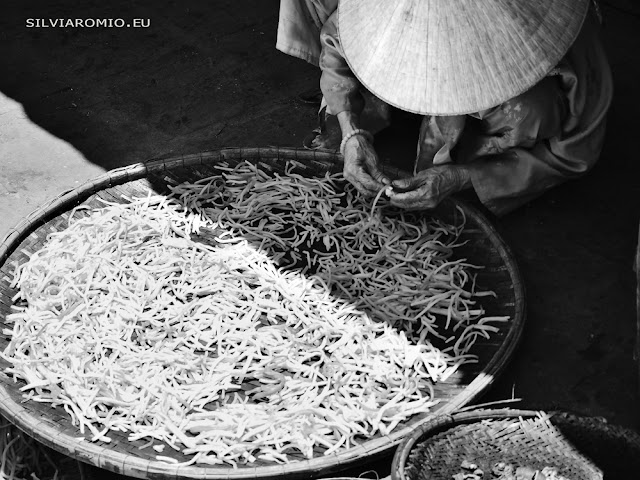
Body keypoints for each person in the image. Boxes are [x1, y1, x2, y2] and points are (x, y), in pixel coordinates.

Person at [276, 0, 613, 216]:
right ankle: (380, 99)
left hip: (526, 93)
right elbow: (339, 39)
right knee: (359, 61)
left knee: (531, 113)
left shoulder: (570, 45)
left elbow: (575, 153)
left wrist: (463, 177)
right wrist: (351, 131)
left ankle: (482, 143)